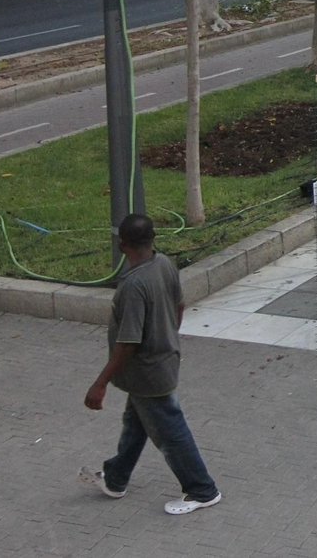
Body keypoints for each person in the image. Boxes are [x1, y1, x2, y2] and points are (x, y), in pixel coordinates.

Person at [79, 214, 221, 516]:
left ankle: (202, 489)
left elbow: (128, 342)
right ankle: (116, 479)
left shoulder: (133, 285)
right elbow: (179, 305)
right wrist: (167, 335)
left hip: (147, 374)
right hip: (161, 363)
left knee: (170, 432)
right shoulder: (165, 264)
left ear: (122, 244)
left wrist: (100, 383)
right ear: (153, 238)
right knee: (135, 423)